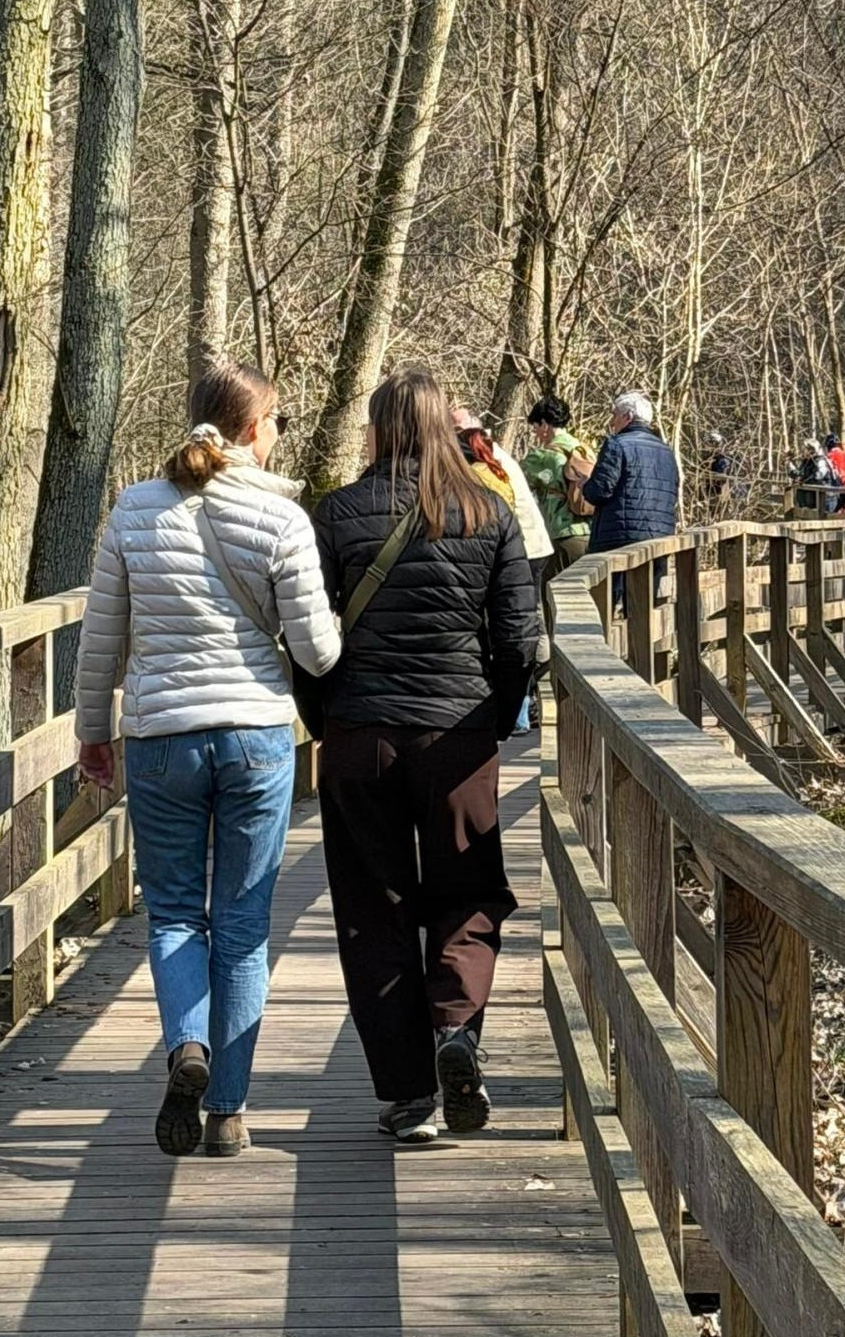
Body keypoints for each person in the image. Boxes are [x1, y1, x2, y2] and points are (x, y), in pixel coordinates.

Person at [74, 358, 341, 1158]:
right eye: (279, 421)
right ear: (256, 427)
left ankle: (184, 1043)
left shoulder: (134, 508)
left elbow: (102, 639)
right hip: (257, 736)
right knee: (243, 925)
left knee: (176, 914)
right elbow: (320, 654)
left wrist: (93, 730)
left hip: (160, 737)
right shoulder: (282, 518)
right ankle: (227, 1110)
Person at [312, 366, 538, 1143]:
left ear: (376, 428)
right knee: (468, 893)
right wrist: (497, 721)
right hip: (458, 736)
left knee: (373, 909)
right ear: (445, 426)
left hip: (359, 735)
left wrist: (326, 720)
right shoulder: (487, 512)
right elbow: (518, 640)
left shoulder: (336, 514)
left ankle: (407, 1095)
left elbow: (308, 640)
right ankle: (455, 1034)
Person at [453, 406, 551, 735]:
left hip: (522, 550)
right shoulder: (495, 459)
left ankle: (526, 708)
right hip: (528, 547)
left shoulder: (478, 470)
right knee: (524, 623)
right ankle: (530, 704)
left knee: (517, 625)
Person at [584, 390, 680, 553]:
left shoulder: (616, 444)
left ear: (628, 417)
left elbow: (599, 492)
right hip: (660, 539)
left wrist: (585, 485)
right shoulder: (667, 451)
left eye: (615, 415)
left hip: (620, 539)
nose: (612, 422)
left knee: (617, 580)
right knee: (652, 579)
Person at [521, 394, 596, 581]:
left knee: (552, 595)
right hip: (590, 533)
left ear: (545, 425)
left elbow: (514, 484)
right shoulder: (584, 450)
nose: (535, 433)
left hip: (562, 535)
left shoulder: (542, 457)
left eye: (536, 427)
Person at [793, 437, 840, 517]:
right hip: (810, 498)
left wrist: (803, 481)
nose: (803, 451)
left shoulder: (821, 461)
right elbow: (798, 474)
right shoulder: (806, 461)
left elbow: (818, 476)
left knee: (824, 524)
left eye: (805, 449)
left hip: (825, 499)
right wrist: (789, 464)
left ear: (811, 450)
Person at [700, 430, 732, 499]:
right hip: (708, 495)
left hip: (719, 495)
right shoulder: (707, 460)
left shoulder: (723, 460)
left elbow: (723, 477)